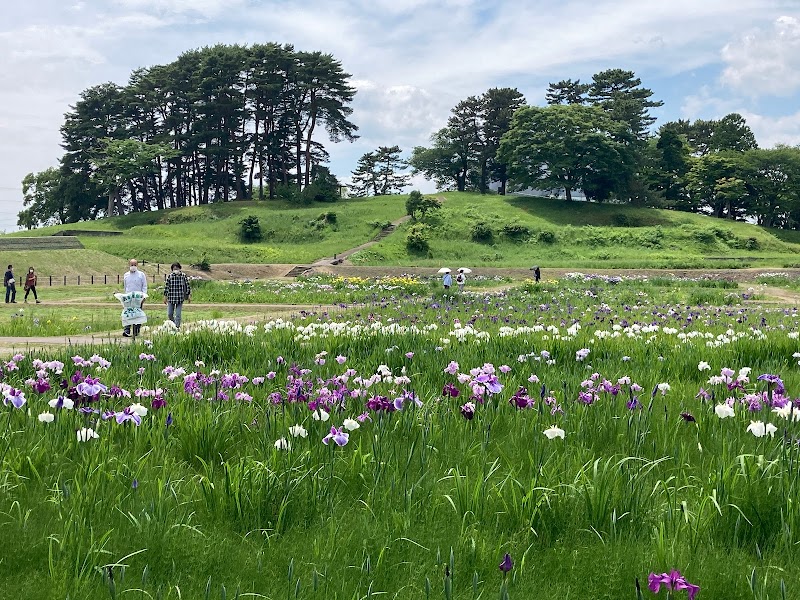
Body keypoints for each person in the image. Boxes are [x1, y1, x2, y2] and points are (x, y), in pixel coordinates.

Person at [122, 259, 147, 336]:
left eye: (135, 265)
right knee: (128, 314)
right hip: (128, 298)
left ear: (137, 265)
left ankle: (136, 331)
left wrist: (143, 296)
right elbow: (125, 287)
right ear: (129, 265)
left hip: (138, 298)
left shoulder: (141, 275)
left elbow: (144, 286)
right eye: (131, 265)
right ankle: (127, 330)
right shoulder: (126, 275)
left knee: (137, 314)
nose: (133, 266)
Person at [163, 262, 191, 328]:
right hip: (171, 298)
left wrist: (188, 296)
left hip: (180, 298)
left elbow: (187, 286)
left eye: (177, 268)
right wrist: (165, 297)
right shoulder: (170, 276)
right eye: (174, 269)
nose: (176, 270)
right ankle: (173, 325)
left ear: (179, 268)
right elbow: (167, 287)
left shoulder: (183, 276)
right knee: (170, 314)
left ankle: (177, 327)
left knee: (178, 315)